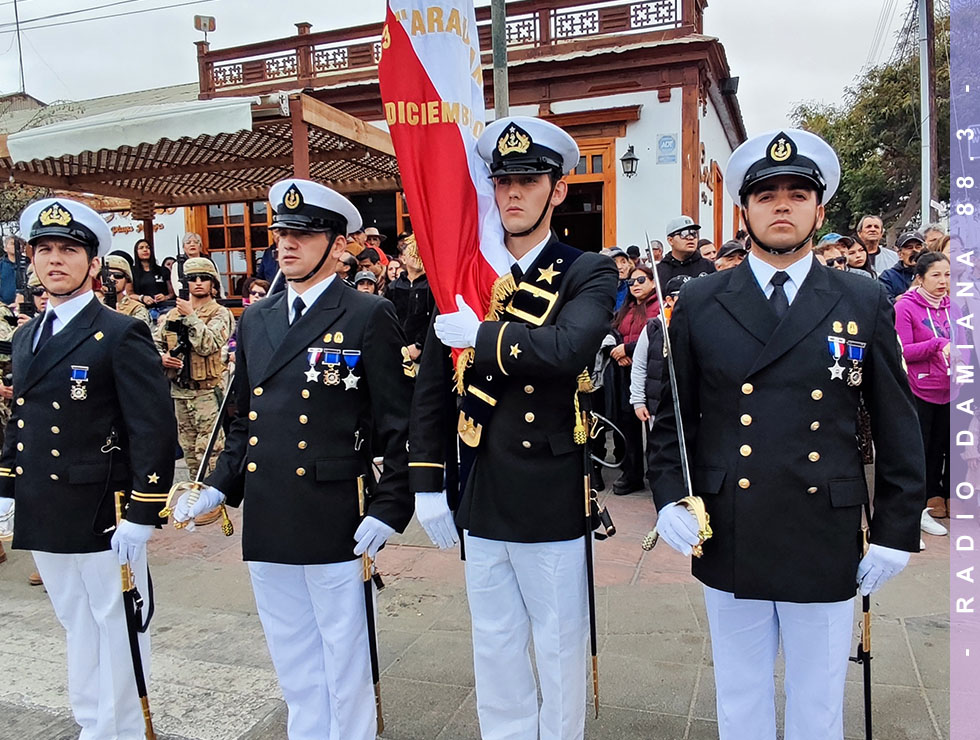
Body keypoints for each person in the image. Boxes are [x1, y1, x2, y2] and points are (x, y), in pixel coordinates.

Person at [647, 129, 924, 740]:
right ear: (743, 210)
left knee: (818, 699)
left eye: (798, 193)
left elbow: (897, 421)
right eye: (766, 193)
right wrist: (669, 494)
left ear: (819, 211)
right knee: (740, 695)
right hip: (731, 523)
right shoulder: (700, 299)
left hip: (822, 523)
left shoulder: (861, 296)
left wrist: (896, 530)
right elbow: (674, 419)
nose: (781, 205)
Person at [172, 178, 414, 740]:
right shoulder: (256, 318)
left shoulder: (367, 313)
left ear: (337, 244)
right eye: (281, 232)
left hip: (334, 509)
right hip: (269, 507)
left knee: (344, 650)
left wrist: (390, 503)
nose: (286, 244)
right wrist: (217, 485)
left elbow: (400, 424)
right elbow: (243, 419)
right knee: (291, 651)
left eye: (303, 234)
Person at [410, 116, 617, 740]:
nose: (513, 195)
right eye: (503, 182)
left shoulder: (588, 270)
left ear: (557, 189)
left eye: (529, 181)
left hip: (550, 485)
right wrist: (427, 482)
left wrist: (483, 335)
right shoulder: (464, 273)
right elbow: (430, 394)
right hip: (481, 482)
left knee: (556, 643)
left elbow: (568, 349)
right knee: (494, 641)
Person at [0, 197, 176, 738]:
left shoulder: (120, 332)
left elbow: (153, 428)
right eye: (44, 250)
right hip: (47, 506)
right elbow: (21, 417)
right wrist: (7, 484)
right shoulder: (29, 333)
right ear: (31, 259)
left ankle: (117, 732)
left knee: (118, 626)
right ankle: (90, 724)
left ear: (93, 263)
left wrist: (144, 510)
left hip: (105, 509)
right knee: (76, 624)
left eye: (69, 250)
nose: (55, 260)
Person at [156, 258, 234, 477]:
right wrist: (162, 357)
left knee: (210, 451)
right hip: (180, 392)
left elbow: (207, 344)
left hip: (207, 393)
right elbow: (154, 343)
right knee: (190, 451)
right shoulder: (172, 315)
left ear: (213, 284)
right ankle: (195, 495)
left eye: (204, 279)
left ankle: (211, 502)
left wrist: (191, 316)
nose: (198, 283)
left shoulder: (220, 313)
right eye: (192, 279)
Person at [894, 251, 954, 532]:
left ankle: (941, 495)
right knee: (922, 449)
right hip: (920, 389)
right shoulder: (905, 307)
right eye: (936, 275)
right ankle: (919, 506)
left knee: (945, 447)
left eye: (947, 275)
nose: (943, 282)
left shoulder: (953, 306)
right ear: (919, 278)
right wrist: (937, 344)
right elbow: (903, 351)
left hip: (950, 388)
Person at [610, 264, 660, 494]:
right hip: (624, 370)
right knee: (627, 424)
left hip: (652, 371)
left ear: (652, 281)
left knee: (653, 425)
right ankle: (631, 473)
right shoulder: (627, 307)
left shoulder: (658, 305)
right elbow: (614, 330)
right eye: (631, 282)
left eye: (641, 280)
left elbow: (655, 334)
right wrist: (619, 352)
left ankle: (657, 472)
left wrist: (628, 349)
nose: (635, 286)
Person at [386, 235, 435, 362]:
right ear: (403, 258)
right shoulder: (393, 287)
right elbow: (387, 319)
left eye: (421, 253)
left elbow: (435, 319)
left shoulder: (433, 286)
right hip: (396, 352)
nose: (417, 257)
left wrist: (419, 344)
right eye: (413, 253)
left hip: (426, 354)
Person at [657, 216, 716, 284]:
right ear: (670, 240)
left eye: (693, 233)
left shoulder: (709, 267)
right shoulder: (659, 271)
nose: (690, 238)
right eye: (684, 234)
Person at [103, 254, 152, 327]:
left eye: (118, 275)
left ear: (127, 279)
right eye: (107, 275)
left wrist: (118, 319)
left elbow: (137, 334)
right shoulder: (92, 306)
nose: (112, 278)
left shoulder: (136, 309)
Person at [878, 231, 924, 301]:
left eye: (918, 247)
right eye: (909, 247)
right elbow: (884, 303)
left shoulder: (931, 273)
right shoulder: (888, 276)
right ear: (900, 254)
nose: (914, 250)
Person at [131, 238, 172, 311]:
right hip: (142, 309)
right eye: (141, 248)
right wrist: (142, 298)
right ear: (136, 252)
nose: (145, 250)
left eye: (147, 247)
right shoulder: (132, 271)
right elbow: (129, 294)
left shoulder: (163, 270)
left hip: (164, 307)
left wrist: (165, 297)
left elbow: (172, 293)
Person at [600, 245, 631, 311]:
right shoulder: (599, 288)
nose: (620, 267)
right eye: (614, 262)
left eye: (623, 262)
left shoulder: (632, 288)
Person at [1, 235, 28, 306]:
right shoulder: (1, 266)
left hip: (27, 306)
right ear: (5, 248)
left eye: (19, 244)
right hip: (4, 307)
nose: (16, 246)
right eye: (12, 244)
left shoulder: (29, 264)